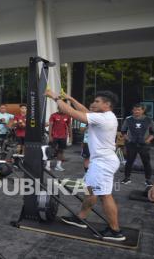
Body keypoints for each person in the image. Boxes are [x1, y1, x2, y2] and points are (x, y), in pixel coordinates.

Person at [46, 89, 125, 241]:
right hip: (101, 161)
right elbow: (84, 111)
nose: (93, 103)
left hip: (103, 163)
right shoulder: (104, 116)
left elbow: (72, 113)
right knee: (90, 190)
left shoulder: (104, 118)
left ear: (107, 104)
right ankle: (81, 218)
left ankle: (115, 231)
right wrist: (70, 98)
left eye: (97, 101)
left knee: (104, 195)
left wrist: (55, 97)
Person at [121, 103, 154, 186]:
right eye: (135, 110)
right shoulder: (128, 119)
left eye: (139, 110)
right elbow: (123, 131)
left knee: (146, 162)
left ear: (143, 110)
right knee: (129, 162)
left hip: (144, 145)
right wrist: (128, 139)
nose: (136, 111)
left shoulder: (149, 119)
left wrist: (147, 140)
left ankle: (148, 180)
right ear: (132, 110)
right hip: (131, 144)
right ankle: (127, 178)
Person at [46, 107, 72, 171]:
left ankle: (58, 166)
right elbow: (50, 126)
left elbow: (69, 126)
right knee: (50, 150)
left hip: (63, 137)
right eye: (61, 109)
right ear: (58, 109)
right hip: (54, 136)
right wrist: (50, 136)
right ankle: (47, 165)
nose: (62, 110)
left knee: (61, 151)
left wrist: (71, 137)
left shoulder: (67, 116)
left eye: (63, 109)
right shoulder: (53, 115)